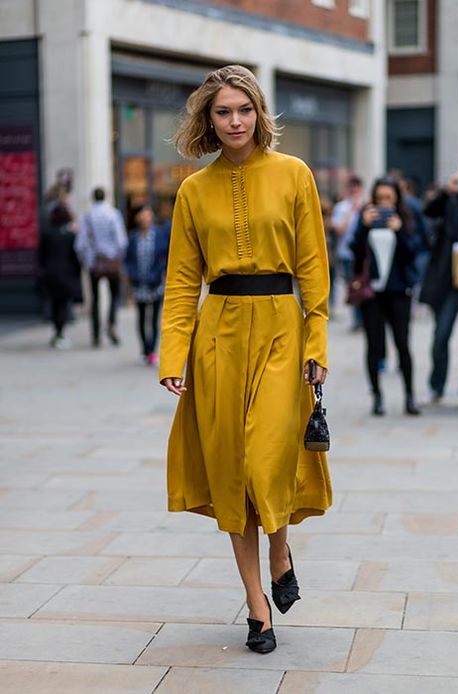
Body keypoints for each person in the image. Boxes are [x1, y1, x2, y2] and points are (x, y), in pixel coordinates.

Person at [159, 65, 331, 654]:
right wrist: (173, 353)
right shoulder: (192, 190)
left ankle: (280, 551)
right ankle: (258, 607)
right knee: (232, 471)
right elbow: (182, 281)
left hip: (283, 326)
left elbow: (314, 269)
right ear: (208, 120)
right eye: (222, 112)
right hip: (219, 337)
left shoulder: (294, 175)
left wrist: (318, 343)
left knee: (266, 457)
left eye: (244, 110)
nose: (235, 121)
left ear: (260, 114)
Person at [351, 177, 420, 416]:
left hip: (399, 292)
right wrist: (364, 226)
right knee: (374, 345)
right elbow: (356, 254)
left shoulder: (405, 217)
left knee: (402, 343)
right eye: (379, 198)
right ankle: (377, 397)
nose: (384, 203)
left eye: (388, 198)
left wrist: (399, 231)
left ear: (397, 199)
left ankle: (410, 396)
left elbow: (413, 253)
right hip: (371, 293)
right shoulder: (365, 218)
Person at [420, 154, 458, 407]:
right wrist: (447, 189)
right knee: (441, 334)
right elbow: (428, 211)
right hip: (450, 277)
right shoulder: (451, 199)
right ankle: (436, 384)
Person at [75, 187, 128, 347]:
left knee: (95, 298)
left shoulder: (88, 216)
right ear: (106, 197)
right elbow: (121, 241)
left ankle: (96, 333)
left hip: (95, 263)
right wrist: (119, 258)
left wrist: (86, 261)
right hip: (111, 261)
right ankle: (111, 322)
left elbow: (80, 244)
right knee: (115, 296)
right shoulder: (113, 214)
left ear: (93, 198)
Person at [125, 203, 171, 365]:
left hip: (156, 283)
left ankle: (152, 351)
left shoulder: (158, 235)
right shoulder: (133, 237)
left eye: (147, 214)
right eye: (142, 215)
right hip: (139, 285)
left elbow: (164, 257)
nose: (145, 218)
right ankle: (144, 350)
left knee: (154, 319)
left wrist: (159, 274)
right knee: (142, 317)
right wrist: (132, 277)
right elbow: (128, 260)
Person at [38, 202, 81, 349]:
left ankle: (57, 332)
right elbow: (74, 256)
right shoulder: (69, 235)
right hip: (65, 273)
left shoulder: (47, 233)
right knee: (62, 304)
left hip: (50, 273)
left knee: (56, 304)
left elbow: (41, 256)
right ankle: (60, 333)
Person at [331, 175, 365, 330]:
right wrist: (351, 211)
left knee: (363, 285)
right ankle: (357, 318)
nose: (355, 190)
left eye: (357, 187)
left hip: (362, 254)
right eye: (352, 187)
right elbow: (338, 230)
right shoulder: (342, 208)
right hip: (345, 254)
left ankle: (362, 318)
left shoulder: (366, 206)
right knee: (352, 286)